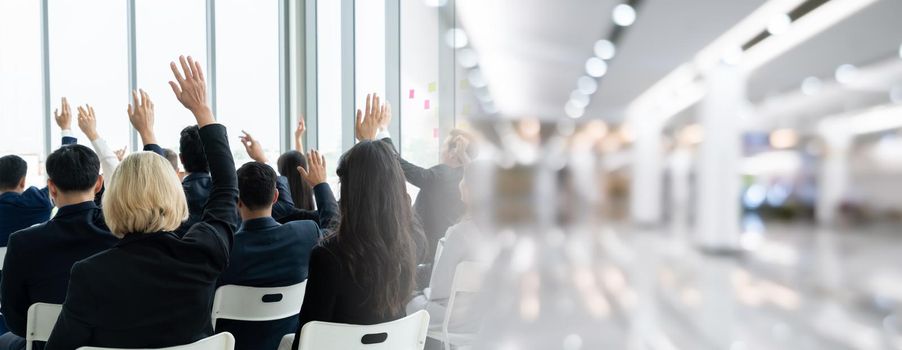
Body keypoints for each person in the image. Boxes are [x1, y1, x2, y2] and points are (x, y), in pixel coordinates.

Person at [45, 55, 238, 350]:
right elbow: (226, 187)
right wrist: (202, 110)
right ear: (173, 193)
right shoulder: (203, 252)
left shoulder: (90, 273)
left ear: (113, 200)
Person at [290, 94, 418, 350]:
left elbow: (306, 341)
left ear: (349, 193)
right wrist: (372, 144)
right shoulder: (410, 243)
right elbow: (383, 184)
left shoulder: (329, 257)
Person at [0, 105, 121, 350]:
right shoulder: (120, 233)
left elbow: (14, 320)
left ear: (52, 188)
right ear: (99, 185)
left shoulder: (23, 242)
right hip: (110, 342)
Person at [215, 149, 329, 350]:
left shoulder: (223, 248)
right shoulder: (305, 234)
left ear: (237, 200)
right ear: (276, 196)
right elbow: (333, 225)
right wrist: (320, 185)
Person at [374, 94, 476, 263]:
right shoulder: (465, 179)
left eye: (444, 145)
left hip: (425, 257)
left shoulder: (444, 175)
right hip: (441, 256)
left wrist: (383, 129)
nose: (441, 150)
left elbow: (401, 166)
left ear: (452, 152)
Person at [405, 162, 495, 338]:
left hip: (458, 320)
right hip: (490, 317)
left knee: (408, 302)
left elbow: (439, 293)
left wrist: (422, 293)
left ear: (469, 190)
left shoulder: (459, 233)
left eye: (463, 179)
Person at [0, 98, 77, 245]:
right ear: (22, 181)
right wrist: (65, 128)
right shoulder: (37, 202)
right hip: (31, 267)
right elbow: (66, 169)